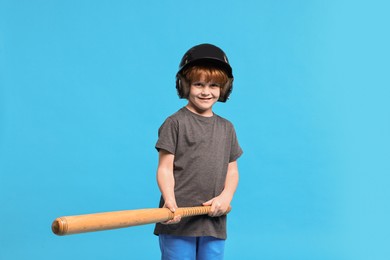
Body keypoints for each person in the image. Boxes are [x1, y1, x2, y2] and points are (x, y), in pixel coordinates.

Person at [154, 43, 243, 260]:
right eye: (198, 84)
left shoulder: (227, 127)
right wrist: (169, 201)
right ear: (184, 86)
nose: (206, 91)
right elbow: (165, 168)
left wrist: (226, 196)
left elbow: (232, 170)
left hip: (214, 218)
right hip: (178, 218)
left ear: (224, 89)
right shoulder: (175, 123)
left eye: (213, 85)